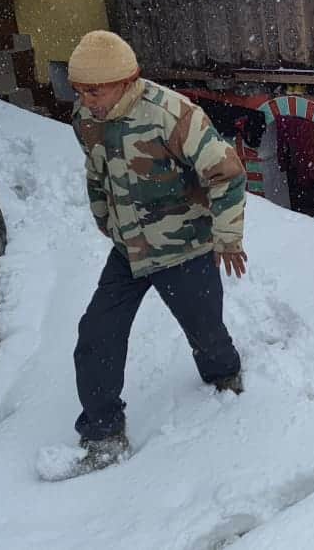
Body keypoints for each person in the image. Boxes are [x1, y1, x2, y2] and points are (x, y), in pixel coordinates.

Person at [67, 30, 247, 470]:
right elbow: (97, 172)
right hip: (128, 250)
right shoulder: (87, 118)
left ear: (127, 80)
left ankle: (225, 377)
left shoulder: (172, 115)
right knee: (96, 336)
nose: (88, 100)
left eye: (96, 90)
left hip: (183, 247)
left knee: (207, 334)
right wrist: (104, 220)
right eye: (80, 91)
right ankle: (103, 431)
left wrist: (226, 237)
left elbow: (226, 172)